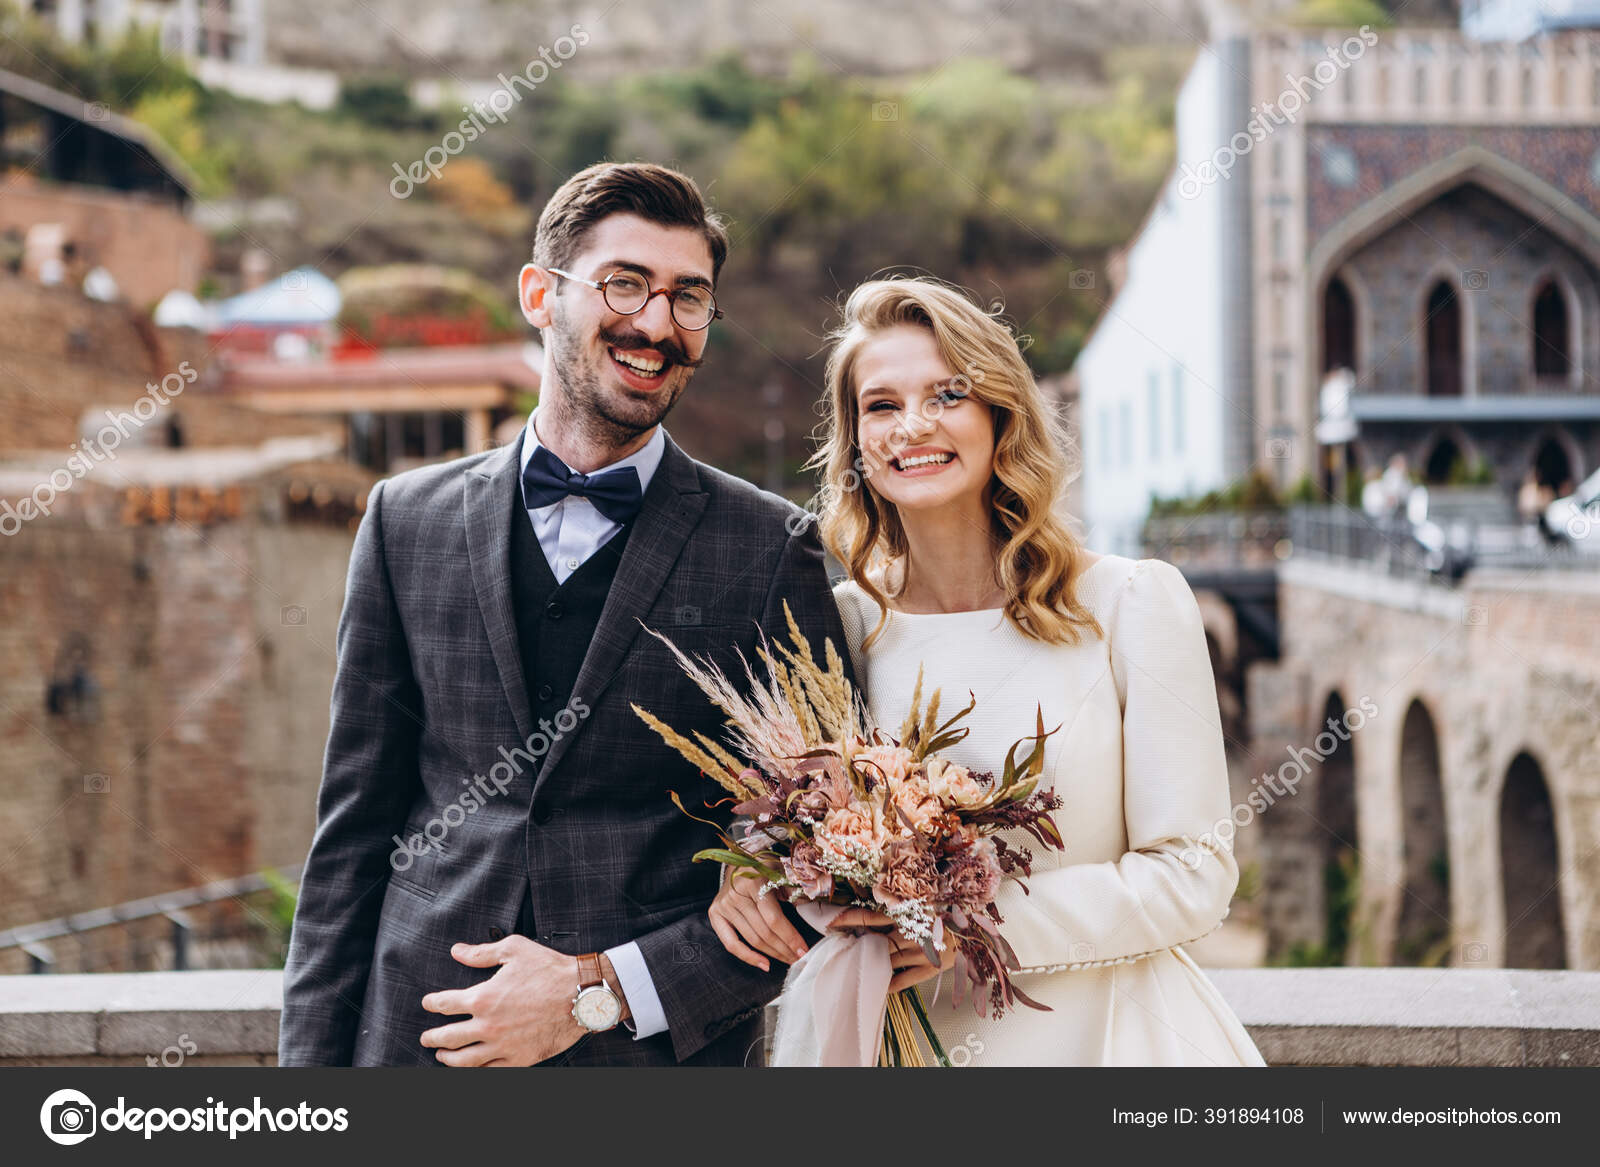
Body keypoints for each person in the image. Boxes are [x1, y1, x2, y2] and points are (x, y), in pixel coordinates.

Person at [279, 162, 848, 1066]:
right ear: (541, 294)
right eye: (625, 283)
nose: (657, 324)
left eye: (689, 298)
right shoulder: (403, 522)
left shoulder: (772, 549)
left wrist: (598, 992)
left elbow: (823, 867)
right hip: (413, 1048)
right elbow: (352, 833)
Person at [709, 277, 1264, 1065]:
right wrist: (750, 874)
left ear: (1000, 416)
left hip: (1107, 1038)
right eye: (882, 404)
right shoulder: (840, 627)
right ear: (856, 441)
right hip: (896, 1040)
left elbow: (1193, 873)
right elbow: (784, 824)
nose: (914, 426)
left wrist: (969, 924)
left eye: (948, 394)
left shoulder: (1129, 602)